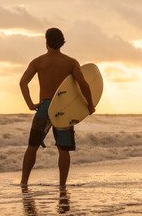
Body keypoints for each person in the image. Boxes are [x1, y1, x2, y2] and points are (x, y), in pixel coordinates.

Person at [20, 27, 95, 186]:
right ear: (62, 42)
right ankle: (62, 185)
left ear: (46, 42)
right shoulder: (71, 62)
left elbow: (23, 82)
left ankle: (24, 182)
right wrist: (90, 105)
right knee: (63, 149)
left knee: (32, 146)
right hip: (64, 108)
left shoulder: (38, 61)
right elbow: (84, 85)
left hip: (45, 106)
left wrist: (30, 104)